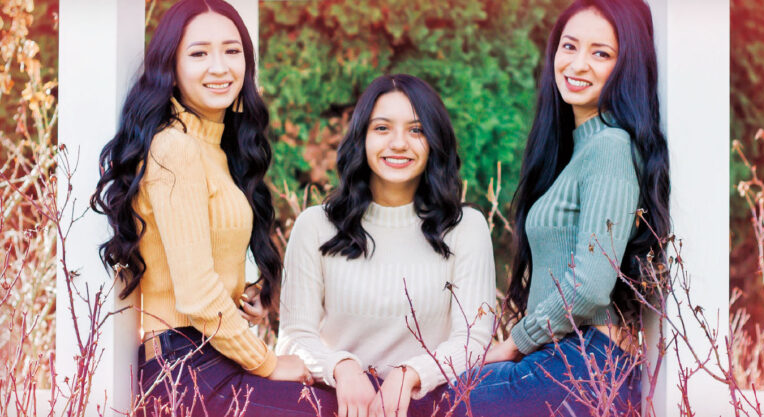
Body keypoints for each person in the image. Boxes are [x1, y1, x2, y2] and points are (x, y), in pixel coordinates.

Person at [91, 1, 322, 415]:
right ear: (171, 66)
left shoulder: (217, 147)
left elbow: (202, 260)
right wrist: (268, 363)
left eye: (232, 51)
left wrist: (242, 292)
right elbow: (195, 295)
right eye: (199, 53)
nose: (220, 67)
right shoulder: (175, 147)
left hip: (210, 358)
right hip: (188, 370)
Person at [457, 0, 670, 415]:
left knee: (440, 400)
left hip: (584, 360)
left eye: (601, 53)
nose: (578, 64)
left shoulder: (609, 147)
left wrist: (515, 342)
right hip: (568, 356)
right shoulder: (578, 150)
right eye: (569, 46)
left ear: (626, 66)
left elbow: (590, 287)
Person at [276, 74, 497, 417]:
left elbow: (472, 339)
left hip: (429, 402)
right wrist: (343, 367)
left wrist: (409, 376)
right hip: (334, 402)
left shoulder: (465, 228)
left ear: (434, 141)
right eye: (382, 128)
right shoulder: (315, 226)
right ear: (361, 137)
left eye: (416, 130)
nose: (398, 143)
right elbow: (294, 337)